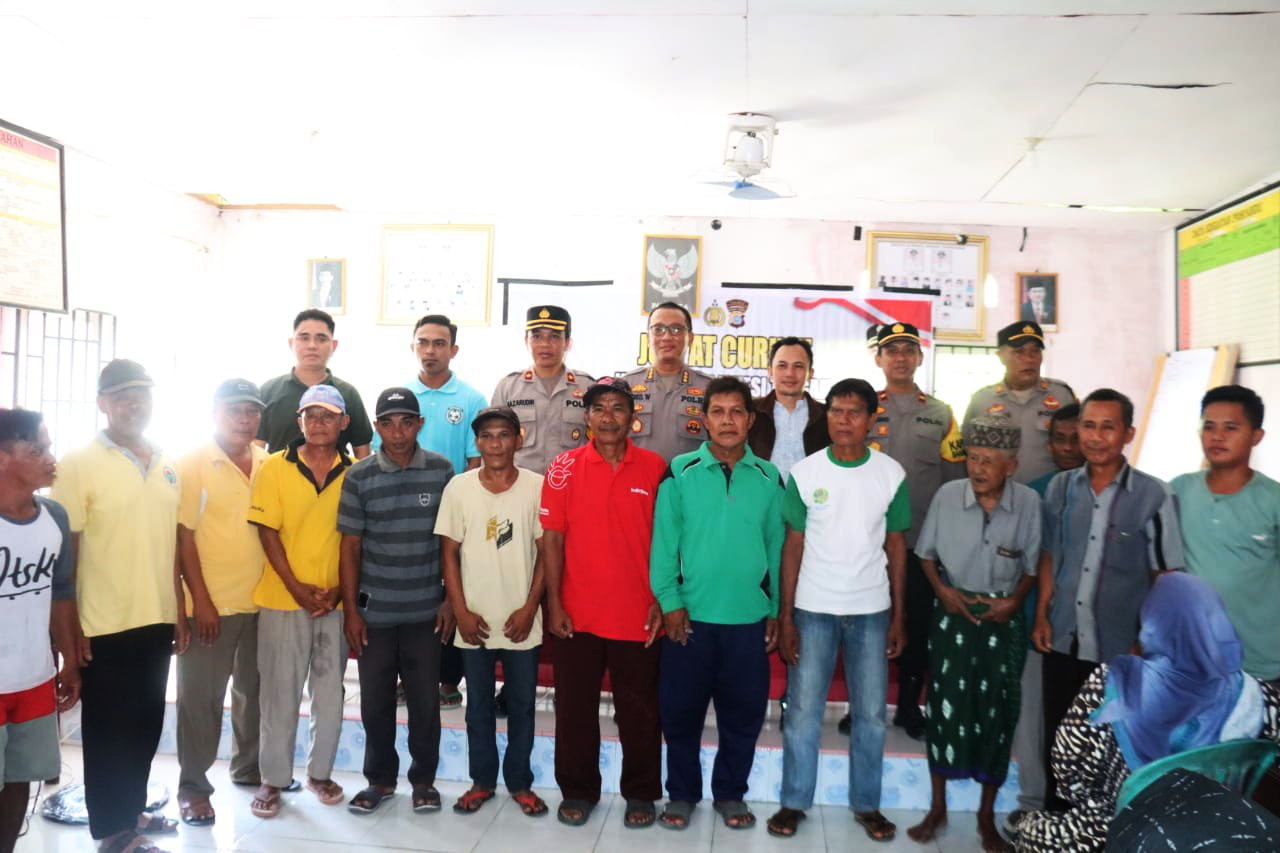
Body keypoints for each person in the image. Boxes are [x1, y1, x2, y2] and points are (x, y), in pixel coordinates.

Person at [1015, 573, 1280, 852]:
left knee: (1027, 831)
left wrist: (1089, 800)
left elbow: (1067, 766)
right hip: (1217, 830)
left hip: (1114, 830)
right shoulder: (1259, 696)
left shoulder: (1111, 685)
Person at [51, 359, 186, 851]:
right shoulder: (77, 464)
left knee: (144, 725)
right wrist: (71, 631)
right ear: (102, 404)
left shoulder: (167, 462)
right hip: (101, 623)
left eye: (141, 395)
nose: (134, 405)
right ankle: (111, 832)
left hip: (156, 618)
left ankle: (131, 813)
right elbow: (66, 555)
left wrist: (180, 611)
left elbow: (171, 543)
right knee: (108, 730)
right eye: (122, 396)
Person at [768, 378, 910, 843]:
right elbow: (792, 546)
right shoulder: (805, 473)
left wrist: (900, 615)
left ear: (871, 420)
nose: (843, 421)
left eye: (853, 412)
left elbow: (896, 545)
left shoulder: (890, 474)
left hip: (871, 610)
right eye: (835, 411)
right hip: (813, 609)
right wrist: (786, 615)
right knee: (802, 712)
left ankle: (867, 805)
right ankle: (794, 801)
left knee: (870, 715)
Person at [1031, 388, 1183, 811]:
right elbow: (1050, 554)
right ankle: (1058, 827)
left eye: (1107, 427)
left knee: (1113, 751)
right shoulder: (1061, 488)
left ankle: (1103, 832)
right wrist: (1042, 613)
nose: (1096, 437)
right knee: (1059, 743)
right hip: (1062, 640)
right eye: (1088, 426)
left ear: (1128, 433)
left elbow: (1165, 578)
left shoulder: (1155, 495)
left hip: (1121, 651)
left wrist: (1146, 642)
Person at [650, 376, 784, 831]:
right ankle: (681, 794)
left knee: (742, 717)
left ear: (750, 420)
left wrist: (776, 609)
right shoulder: (680, 471)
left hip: (748, 620)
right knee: (680, 714)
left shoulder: (770, 478)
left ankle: (730, 794)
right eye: (718, 412)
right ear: (704, 420)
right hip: (690, 618)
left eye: (736, 412)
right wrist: (669, 601)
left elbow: (777, 549)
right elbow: (663, 544)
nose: (728, 421)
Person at [906, 417, 1041, 853]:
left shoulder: (1028, 503)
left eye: (989, 461)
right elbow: (925, 554)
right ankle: (938, 808)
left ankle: (986, 816)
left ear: (1011, 465)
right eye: (974, 458)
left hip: (1003, 619)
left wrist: (1015, 600)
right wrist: (942, 591)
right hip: (953, 613)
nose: (978, 468)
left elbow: (1034, 566)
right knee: (945, 708)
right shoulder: (948, 496)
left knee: (997, 713)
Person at [540, 377, 667, 829]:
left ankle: (641, 793)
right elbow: (552, 540)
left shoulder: (655, 467)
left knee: (640, 710)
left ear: (633, 417)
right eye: (599, 408)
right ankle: (577, 790)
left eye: (618, 408)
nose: (608, 416)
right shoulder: (563, 467)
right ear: (588, 418)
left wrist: (662, 600)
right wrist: (554, 603)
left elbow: (669, 541)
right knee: (574, 709)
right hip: (577, 614)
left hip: (638, 613)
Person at [338, 387, 455, 815]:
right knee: (375, 703)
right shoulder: (359, 476)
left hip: (426, 611)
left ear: (420, 424)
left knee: (425, 703)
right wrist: (351, 612)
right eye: (388, 423)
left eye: (407, 422)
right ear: (376, 427)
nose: (398, 431)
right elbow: (350, 547)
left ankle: (424, 781)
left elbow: (450, 542)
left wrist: (449, 599)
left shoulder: (441, 470)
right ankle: (380, 780)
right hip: (376, 615)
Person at [247, 384, 354, 819]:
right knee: (279, 692)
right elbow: (267, 531)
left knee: (329, 693)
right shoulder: (274, 467)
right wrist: (295, 587)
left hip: (335, 603)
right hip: (282, 598)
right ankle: (272, 779)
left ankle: (320, 774)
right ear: (299, 422)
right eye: (310, 415)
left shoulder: (356, 472)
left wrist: (340, 590)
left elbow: (356, 540)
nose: (318, 423)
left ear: (344, 423)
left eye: (327, 416)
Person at [435, 407, 547, 817]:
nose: (495, 444)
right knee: (477, 707)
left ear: (519, 439)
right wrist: (461, 610)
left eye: (503, 435)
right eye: (486, 436)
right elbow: (448, 553)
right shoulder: (459, 488)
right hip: (474, 621)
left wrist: (530, 607)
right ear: (477, 442)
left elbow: (546, 553)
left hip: (522, 619)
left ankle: (520, 783)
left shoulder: (537, 486)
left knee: (522, 707)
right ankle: (481, 781)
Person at [375, 314, 487, 711]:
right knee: (410, 595)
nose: (430, 350)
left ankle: (447, 680)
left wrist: (465, 512)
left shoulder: (472, 399)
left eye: (439, 343)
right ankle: (405, 678)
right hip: (404, 515)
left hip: (453, 514)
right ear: (413, 347)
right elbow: (381, 455)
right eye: (423, 342)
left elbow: (475, 462)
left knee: (451, 593)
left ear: (453, 350)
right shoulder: (399, 396)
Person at [174, 380, 269, 826]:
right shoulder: (191, 464)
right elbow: (183, 537)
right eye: (235, 410)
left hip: (262, 604)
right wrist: (201, 602)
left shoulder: (268, 461)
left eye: (252, 411)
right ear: (215, 412)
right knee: (201, 701)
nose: (244, 419)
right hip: (210, 608)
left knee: (254, 693)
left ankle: (249, 768)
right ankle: (193, 787)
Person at [867, 322, 965, 740]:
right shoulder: (864, 408)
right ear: (879, 359)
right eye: (892, 350)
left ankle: (909, 706)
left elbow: (955, 482)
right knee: (868, 625)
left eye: (909, 350)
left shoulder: (942, 414)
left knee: (919, 624)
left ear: (920, 358)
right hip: (869, 543)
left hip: (921, 543)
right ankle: (863, 706)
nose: (901, 357)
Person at [0, 410, 80, 853]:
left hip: (33, 678)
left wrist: (68, 661)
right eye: (37, 450)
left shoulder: (54, 517)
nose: (51, 459)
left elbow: (61, 591)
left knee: (21, 779)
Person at [1006, 402, 1083, 835]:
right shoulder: (1033, 493)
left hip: (1093, 634)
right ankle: (1034, 804)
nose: (1069, 447)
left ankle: (1081, 810)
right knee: (1034, 721)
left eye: (1077, 437)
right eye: (1060, 439)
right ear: (1049, 444)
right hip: (1040, 626)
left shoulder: (1124, 494)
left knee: (1086, 725)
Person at [1172, 385, 1279, 685]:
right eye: (1209, 427)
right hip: (1192, 659)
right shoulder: (1179, 490)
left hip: (1259, 663)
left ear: (1256, 436)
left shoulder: (1273, 500)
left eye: (1230, 428)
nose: (1217, 437)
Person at [964, 321, 1076, 484]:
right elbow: (968, 452)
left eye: (1035, 351)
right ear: (1001, 356)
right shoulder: (982, 400)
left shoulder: (1062, 396)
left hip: (1050, 493)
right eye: (1019, 352)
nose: (1029, 359)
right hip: (999, 495)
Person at [491, 305, 595, 473]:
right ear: (526, 341)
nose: (545, 344)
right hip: (521, 485)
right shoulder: (508, 387)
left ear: (568, 343)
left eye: (554, 337)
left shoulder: (587, 387)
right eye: (537, 337)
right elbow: (492, 444)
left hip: (572, 483)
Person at [257, 309, 373, 458]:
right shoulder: (269, 391)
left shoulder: (348, 393)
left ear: (334, 345)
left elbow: (362, 449)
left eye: (321, 339)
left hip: (336, 473)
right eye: (304, 338)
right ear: (291, 343)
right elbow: (256, 447)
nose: (312, 345)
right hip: (278, 473)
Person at [620, 302, 713, 462]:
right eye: (658, 329)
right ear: (648, 338)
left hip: (688, 477)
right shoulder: (626, 385)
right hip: (638, 477)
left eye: (676, 329)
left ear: (690, 338)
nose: (667, 337)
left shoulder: (709, 388)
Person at [747, 337, 830, 482]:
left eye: (798, 366)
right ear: (770, 372)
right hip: (760, 494)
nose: (790, 373)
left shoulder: (827, 416)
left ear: (810, 373)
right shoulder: (750, 412)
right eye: (782, 366)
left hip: (812, 495)